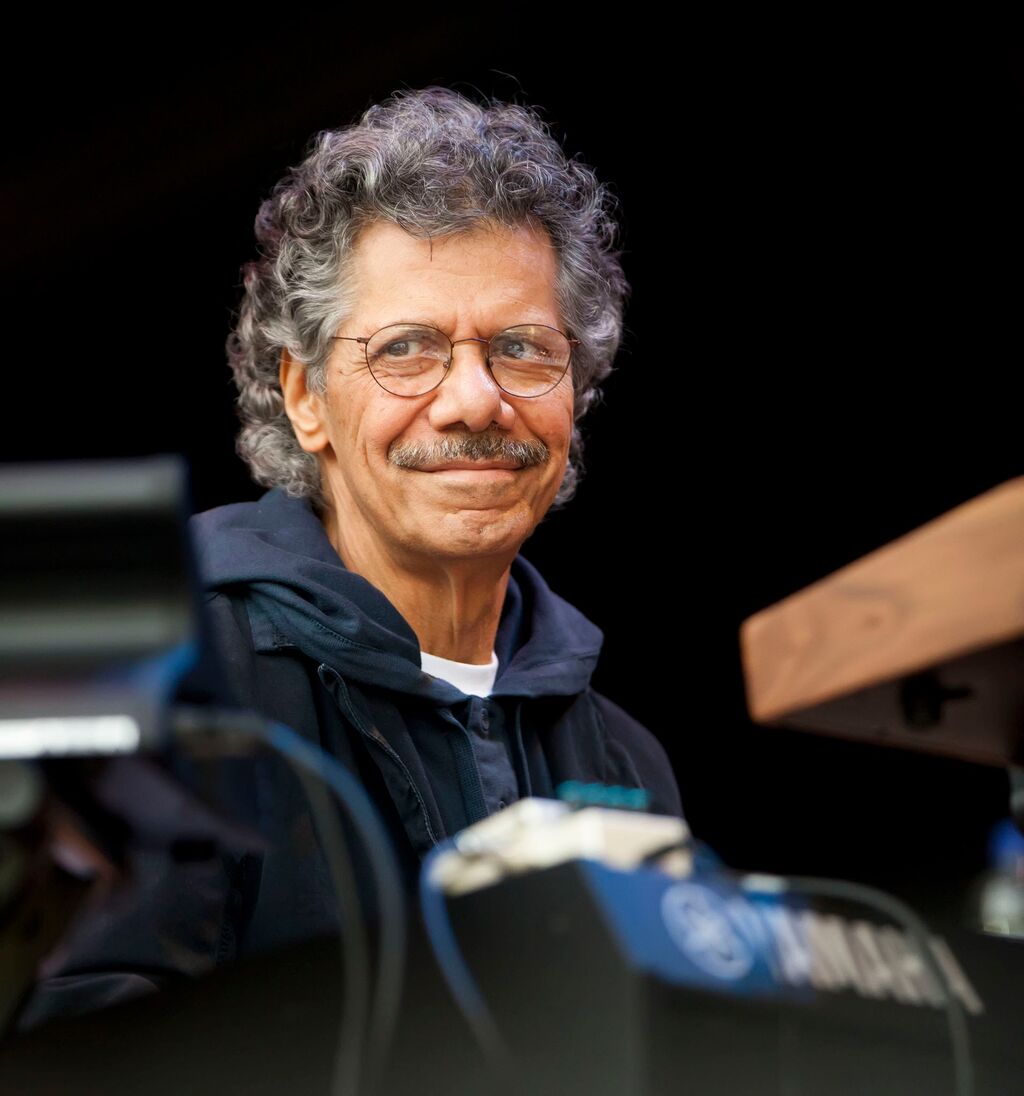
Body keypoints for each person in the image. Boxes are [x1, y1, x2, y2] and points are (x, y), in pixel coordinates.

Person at [18, 86, 682, 1030]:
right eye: (407, 349)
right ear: (305, 398)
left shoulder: (627, 761)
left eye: (523, 348)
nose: (474, 400)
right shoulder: (162, 670)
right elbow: (77, 1046)